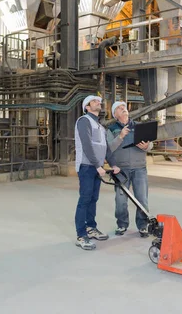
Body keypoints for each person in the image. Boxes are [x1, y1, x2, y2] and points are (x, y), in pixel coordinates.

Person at [74, 95, 120, 250]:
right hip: (87, 167)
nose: (98, 103)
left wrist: (113, 164)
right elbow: (87, 145)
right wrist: (96, 165)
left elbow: (105, 147)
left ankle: (91, 228)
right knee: (85, 200)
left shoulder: (100, 126)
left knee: (93, 199)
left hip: (96, 168)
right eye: (94, 101)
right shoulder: (84, 121)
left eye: (99, 101)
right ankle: (81, 235)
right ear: (87, 107)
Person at [106, 101, 153, 237]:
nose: (123, 109)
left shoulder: (139, 126)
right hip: (121, 170)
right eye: (120, 108)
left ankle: (143, 225)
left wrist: (146, 147)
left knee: (142, 198)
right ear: (115, 114)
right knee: (121, 200)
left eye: (124, 107)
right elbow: (108, 149)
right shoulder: (111, 129)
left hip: (140, 168)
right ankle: (122, 225)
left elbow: (150, 145)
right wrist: (120, 136)